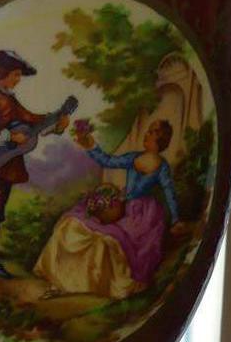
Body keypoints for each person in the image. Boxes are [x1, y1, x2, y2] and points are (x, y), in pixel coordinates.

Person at [33, 118, 183, 298]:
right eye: (148, 130)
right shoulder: (134, 157)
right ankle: (64, 280)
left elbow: (169, 192)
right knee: (76, 223)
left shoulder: (162, 167)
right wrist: (91, 145)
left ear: (160, 139)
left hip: (143, 216)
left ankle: (87, 283)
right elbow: (108, 161)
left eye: (151, 132)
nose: (146, 134)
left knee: (108, 241)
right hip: (124, 205)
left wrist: (176, 220)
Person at [0, 49, 69, 279]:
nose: (18, 79)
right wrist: (9, 136)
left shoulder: (8, 97)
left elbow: (29, 118)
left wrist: (55, 120)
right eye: (16, 74)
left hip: (5, 162)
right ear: (3, 73)